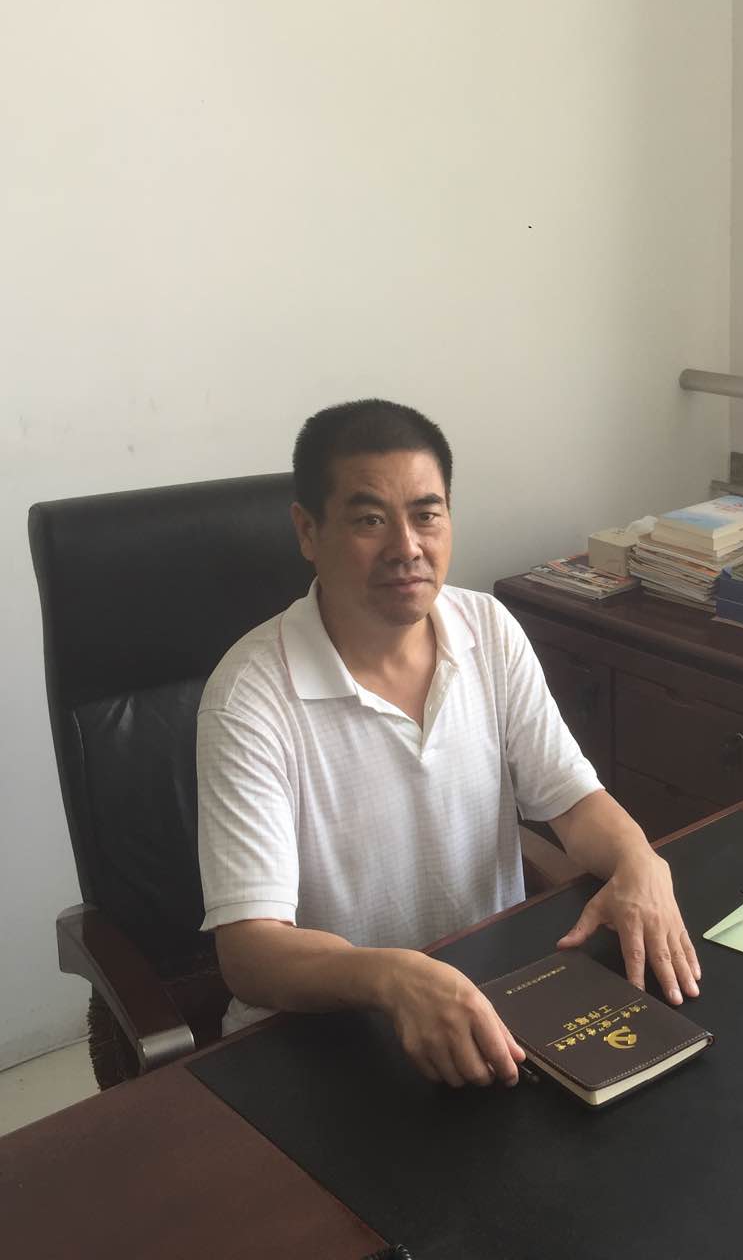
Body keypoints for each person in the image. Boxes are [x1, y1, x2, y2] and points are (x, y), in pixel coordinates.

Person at [196, 399, 700, 1090]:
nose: (406, 546)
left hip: (492, 1005)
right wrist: (390, 977)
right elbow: (251, 954)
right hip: (319, 1041)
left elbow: (575, 803)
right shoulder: (249, 698)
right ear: (308, 531)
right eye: (370, 520)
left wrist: (640, 861)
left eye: (426, 514)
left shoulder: (487, 629)